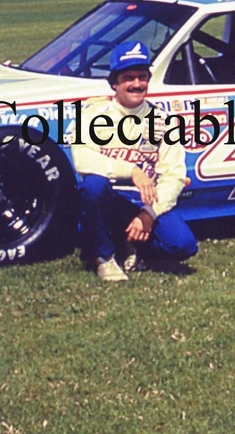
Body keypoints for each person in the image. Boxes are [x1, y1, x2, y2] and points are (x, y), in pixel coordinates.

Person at [72, 41, 198, 281]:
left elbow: (174, 176)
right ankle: (105, 257)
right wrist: (131, 170)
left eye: (142, 77)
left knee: (183, 246)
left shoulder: (163, 120)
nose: (137, 84)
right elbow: (83, 159)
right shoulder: (92, 115)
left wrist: (148, 214)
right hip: (109, 200)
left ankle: (133, 247)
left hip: (143, 202)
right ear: (114, 83)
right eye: (128, 78)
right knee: (92, 186)